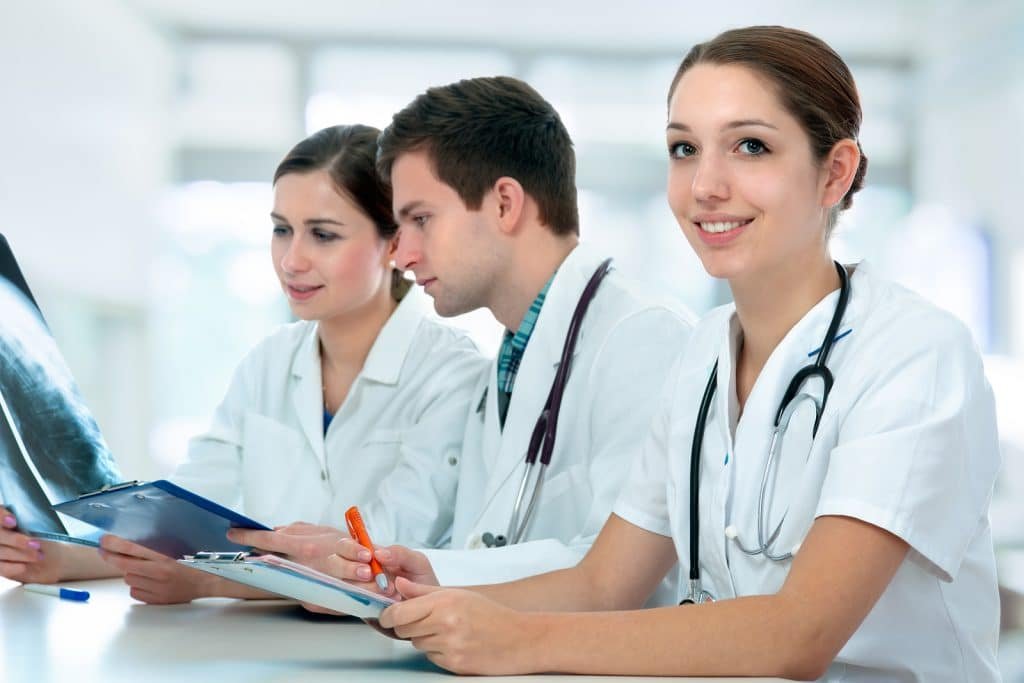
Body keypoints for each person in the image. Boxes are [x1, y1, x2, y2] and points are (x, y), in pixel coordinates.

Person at [363, 27, 1002, 681]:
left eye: (751, 146)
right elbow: (601, 585)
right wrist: (432, 589)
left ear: (834, 172)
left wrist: (516, 640)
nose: (705, 184)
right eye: (684, 148)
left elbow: (798, 634)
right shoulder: (703, 355)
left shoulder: (913, 355)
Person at [0, 124, 486, 603]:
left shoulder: (451, 375)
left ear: (394, 244)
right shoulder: (267, 363)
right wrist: (63, 557)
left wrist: (212, 581)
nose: (292, 260)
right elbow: (184, 512)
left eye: (323, 235)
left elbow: (383, 559)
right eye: (282, 230)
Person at [265, 76, 695, 597]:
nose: (403, 256)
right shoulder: (509, 364)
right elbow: (482, 545)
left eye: (421, 220)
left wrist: (433, 575)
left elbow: (618, 571)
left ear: (505, 205)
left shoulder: (642, 338)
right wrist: (377, 566)